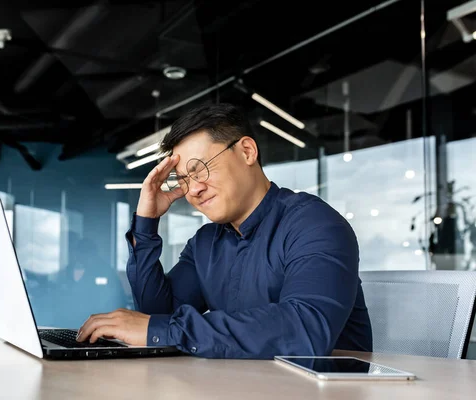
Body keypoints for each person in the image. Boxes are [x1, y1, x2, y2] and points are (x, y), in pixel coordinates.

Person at [77, 103, 373, 359]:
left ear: (247, 151)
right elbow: (159, 315)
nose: (193, 189)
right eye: (181, 179)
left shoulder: (314, 223)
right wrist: (146, 222)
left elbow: (304, 330)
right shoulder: (205, 242)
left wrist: (160, 329)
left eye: (200, 168)